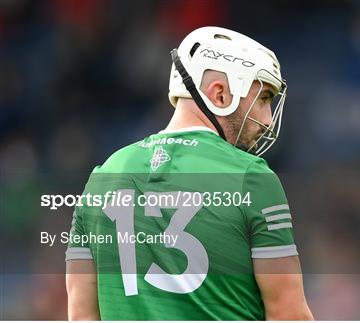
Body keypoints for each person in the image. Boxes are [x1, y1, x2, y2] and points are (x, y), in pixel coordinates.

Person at [65, 26, 313, 320]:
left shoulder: (101, 178)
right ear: (220, 94)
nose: (267, 118)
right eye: (263, 98)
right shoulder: (251, 177)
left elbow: (81, 314)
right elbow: (288, 313)